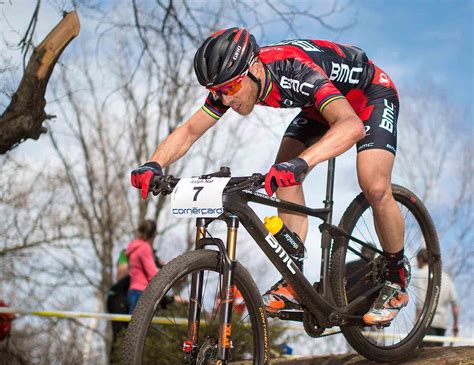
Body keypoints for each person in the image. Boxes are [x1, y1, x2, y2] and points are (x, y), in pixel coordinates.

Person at [131, 28, 409, 325]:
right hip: (319, 106)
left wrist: (303, 162)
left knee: (374, 185)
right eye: (217, 92)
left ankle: (396, 277)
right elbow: (189, 130)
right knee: (282, 174)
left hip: (369, 96)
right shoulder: (232, 84)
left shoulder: (294, 69)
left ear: (253, 68)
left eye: (230, 89)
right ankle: (295, 279)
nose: (224, 100)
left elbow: (351, 126)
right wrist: (154, 163)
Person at [416, 249, 460, 347]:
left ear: (421, 259)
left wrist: (416, 324)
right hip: (442, 324)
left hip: (426, 323)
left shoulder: (420, 274)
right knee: (437, 355)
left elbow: (420, 302)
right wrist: (456, 324)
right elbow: (455, 305)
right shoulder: (446, 277)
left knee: (424, 358)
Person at [126, 220, 163, 313]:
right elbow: (153, 274)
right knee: (149, 326)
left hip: (133, 291)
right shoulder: (145, 248)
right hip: (143, 293)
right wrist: (169, 271)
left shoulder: (133, 247)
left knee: (134, 325)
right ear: (153, 235)